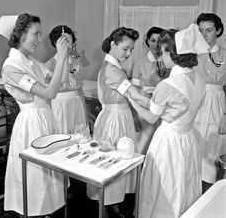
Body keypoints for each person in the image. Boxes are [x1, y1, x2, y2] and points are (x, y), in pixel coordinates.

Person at [128, 24, 208, 218]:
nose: (161, 55)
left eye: (164, 52)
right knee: (182, 184)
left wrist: (131, 99)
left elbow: (150, 116)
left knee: (163, 185)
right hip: (187, 139)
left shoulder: (167, 84)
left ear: (174, 54)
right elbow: (184, 106)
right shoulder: (200, 79)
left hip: (168, 142)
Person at [0, 13, 71, 217]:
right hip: (31, 124)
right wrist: (62, 56)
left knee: (48, 176)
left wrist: (62, 56)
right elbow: (50, 92)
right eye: (36, 34)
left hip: (45, 118)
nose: (39, 39)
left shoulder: (31, 61)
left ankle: (45, 212)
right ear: (20, 34)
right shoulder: (11, 68)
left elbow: (62, 80)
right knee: (33, 177)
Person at [86, 26, 148, 218]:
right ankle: (103, 207)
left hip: (122, 117)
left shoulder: (115, 67)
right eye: (125, 49)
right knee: (110, 162)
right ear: (113, 44)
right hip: (113, 119)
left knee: (121, 160)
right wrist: (159, 101)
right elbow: (134, 94)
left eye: (131, 49)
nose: (129, 53)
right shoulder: (111, 70)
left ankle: (114, 202)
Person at [194, 13, 226, 193]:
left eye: (209, 30)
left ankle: (208, 197)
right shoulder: (193, 55)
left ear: (218, 30)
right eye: (201, 31)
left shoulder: (225, 55)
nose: (204, 35)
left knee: (212, 154)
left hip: (217, 107)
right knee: (194, 152)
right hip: (196, 105)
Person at [131, 26, 169, 154]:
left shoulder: (168, 61)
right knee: (146, 139)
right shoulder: (140, 62)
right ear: (147, 41)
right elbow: (134, 89)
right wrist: (135, 114)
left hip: (164, 107)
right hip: (146, 106)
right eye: (152, 40)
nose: (156, 45)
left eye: (159, 41)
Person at [46, 25, 88, 134]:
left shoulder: (77, 63)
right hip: (58, 107)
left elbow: (79, 90)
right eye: (63, 41)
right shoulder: (48, 65)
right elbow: (47, 95)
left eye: (69, 41)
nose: (67, 44)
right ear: (56, 43)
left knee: (79, 137)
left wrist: (85, 114)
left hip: (76, 105)